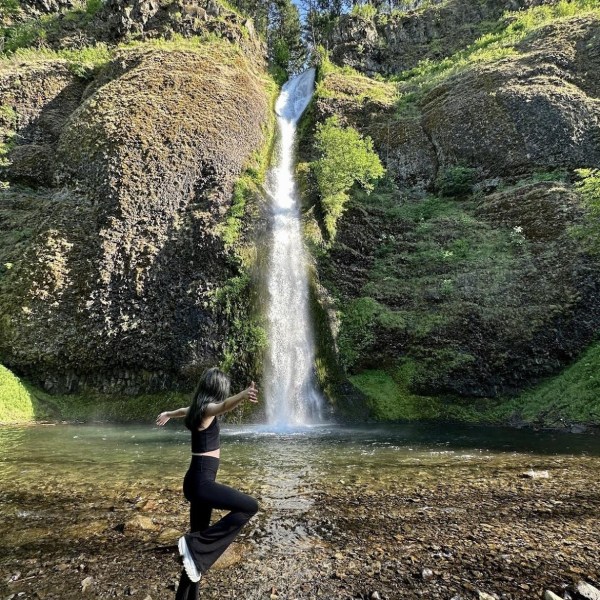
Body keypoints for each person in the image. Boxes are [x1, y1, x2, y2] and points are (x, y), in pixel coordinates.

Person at [156, 367, 259, 599]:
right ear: (217, 389)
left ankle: (187, 595)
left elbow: (182, 410)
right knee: (250, 506)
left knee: (195, 554)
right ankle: (194, 545)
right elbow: (222, 406)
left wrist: (167, 414)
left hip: (196, 481)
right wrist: (243, 395)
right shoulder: (207, 410)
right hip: (202, 483)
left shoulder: (195, 409)